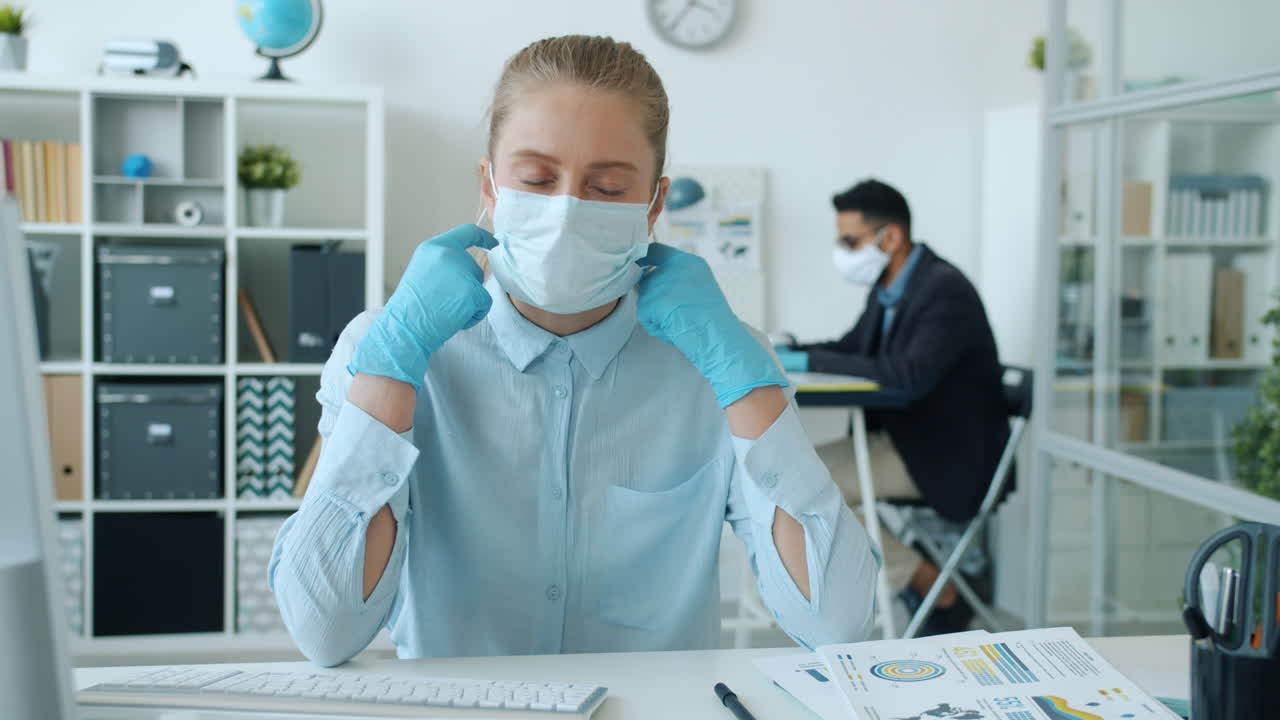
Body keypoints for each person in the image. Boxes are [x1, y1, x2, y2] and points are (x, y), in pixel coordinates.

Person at [270, 35, 879, 665]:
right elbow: (325, 631)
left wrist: (742, 373)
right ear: (489, 186)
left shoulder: (722, 363)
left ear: (654, 204)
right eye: (536, 179)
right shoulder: (388, 350)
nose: (567, 211)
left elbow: (836, 626)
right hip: (462, 708)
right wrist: (391, 366)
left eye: (608, 188)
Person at [775, 179, 1009, 635]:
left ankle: (930, 584)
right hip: (902, 441)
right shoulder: (890, 288)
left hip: (943, 456)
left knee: (802, 490)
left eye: (850, 242)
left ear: (891, 237)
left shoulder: (944, 291)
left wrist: (807, 361)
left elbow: (906, 376)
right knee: (791, 479)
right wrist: (790, 350)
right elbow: (854, 348)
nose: (843, 252)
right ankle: (922, 579)